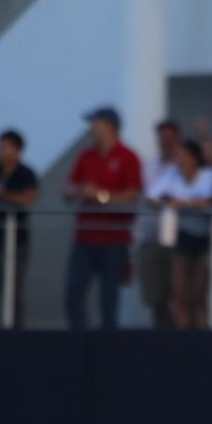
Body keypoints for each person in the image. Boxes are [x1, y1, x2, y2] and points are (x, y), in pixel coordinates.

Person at [63, 107, 142, 330]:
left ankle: (107, 349)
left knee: (109, 299)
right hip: (85, 237)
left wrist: (102, 196)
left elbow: (133, 194)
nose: (92, 129)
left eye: (96, 124)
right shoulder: (85, 156)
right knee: (73, 294)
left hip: (114, 239)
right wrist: (81, 191)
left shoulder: (128, 157)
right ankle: (79, 343)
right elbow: (68, 190)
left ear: (110, 127)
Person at [0, 130, 38, 327]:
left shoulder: (25, 174)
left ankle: (15, 334)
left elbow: (29, 197)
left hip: (16, 243)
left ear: (17, 151)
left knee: (13, 292)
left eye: (4, 147)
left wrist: (3, 195)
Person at [166, 139, 212, 328]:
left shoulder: (208, 176)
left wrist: (188, 203)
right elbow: (156, 198)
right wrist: (182, 203)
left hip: (204, 238)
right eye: (179, 156)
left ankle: (201, 339)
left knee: (199, 295)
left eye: (184, 156)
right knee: (180, 295)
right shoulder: (172, 176)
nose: (180, 160)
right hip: (182, 236)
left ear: (195, 159)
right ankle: (181, 339)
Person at [138, 120, 184, 328]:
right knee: (156, 297)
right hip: (151, 239)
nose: (164, 142)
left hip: (178, 241)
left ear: (177, 139)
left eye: (169, 138)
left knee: (180, 296)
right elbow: (147, 198)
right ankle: (161, 340)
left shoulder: (185, 167)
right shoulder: (149, 166)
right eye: (161, 138)